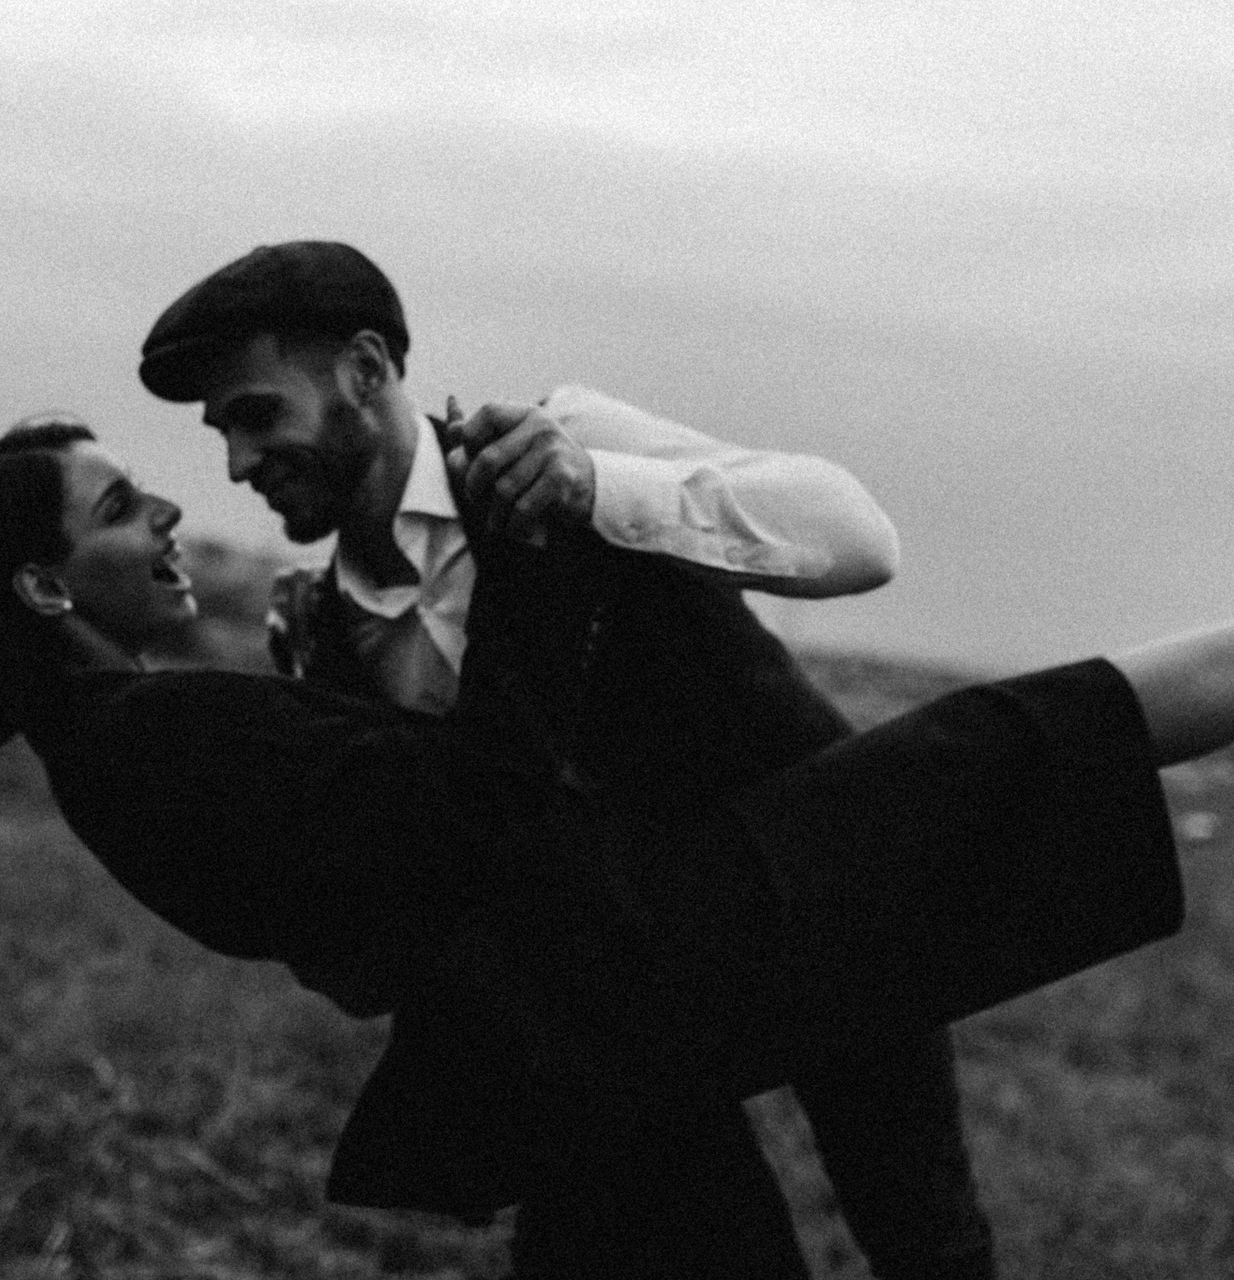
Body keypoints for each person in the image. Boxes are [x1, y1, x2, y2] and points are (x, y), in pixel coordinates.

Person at [0, 420, 1234, 1278]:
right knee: (1028, 738)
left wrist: (332, 699)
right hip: (655, 962)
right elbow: (476, 809)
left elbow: (375, 872)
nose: (175, 510)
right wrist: (542, 554)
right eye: (120, 507)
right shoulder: (149, 738)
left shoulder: (123, 745)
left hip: (580, 1036)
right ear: (44, 588)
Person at [136, 240, 990, 1279]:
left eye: (257, 414)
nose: (237, 462)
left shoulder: (567, 439)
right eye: (223, 431)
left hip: (819, 899)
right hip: (631, 1010)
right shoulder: (327, 636)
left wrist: (598, 487)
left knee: (926, 1237)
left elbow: (860, 537)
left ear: (364, 368)